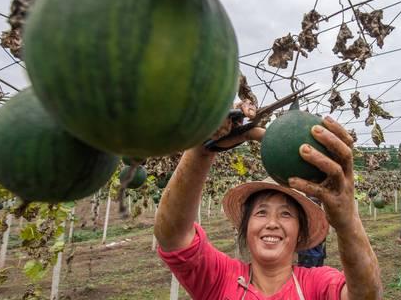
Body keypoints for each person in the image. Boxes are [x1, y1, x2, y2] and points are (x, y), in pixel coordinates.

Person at [154, 104, 382, 300]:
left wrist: (347, 221)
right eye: (261, 213)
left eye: (286, 214)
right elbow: (173, 236)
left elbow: (366, 295)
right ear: (245, 227)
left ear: (300, 231)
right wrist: (202, 149)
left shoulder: (317, 284)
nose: (272, 223)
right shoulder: (221, 278)